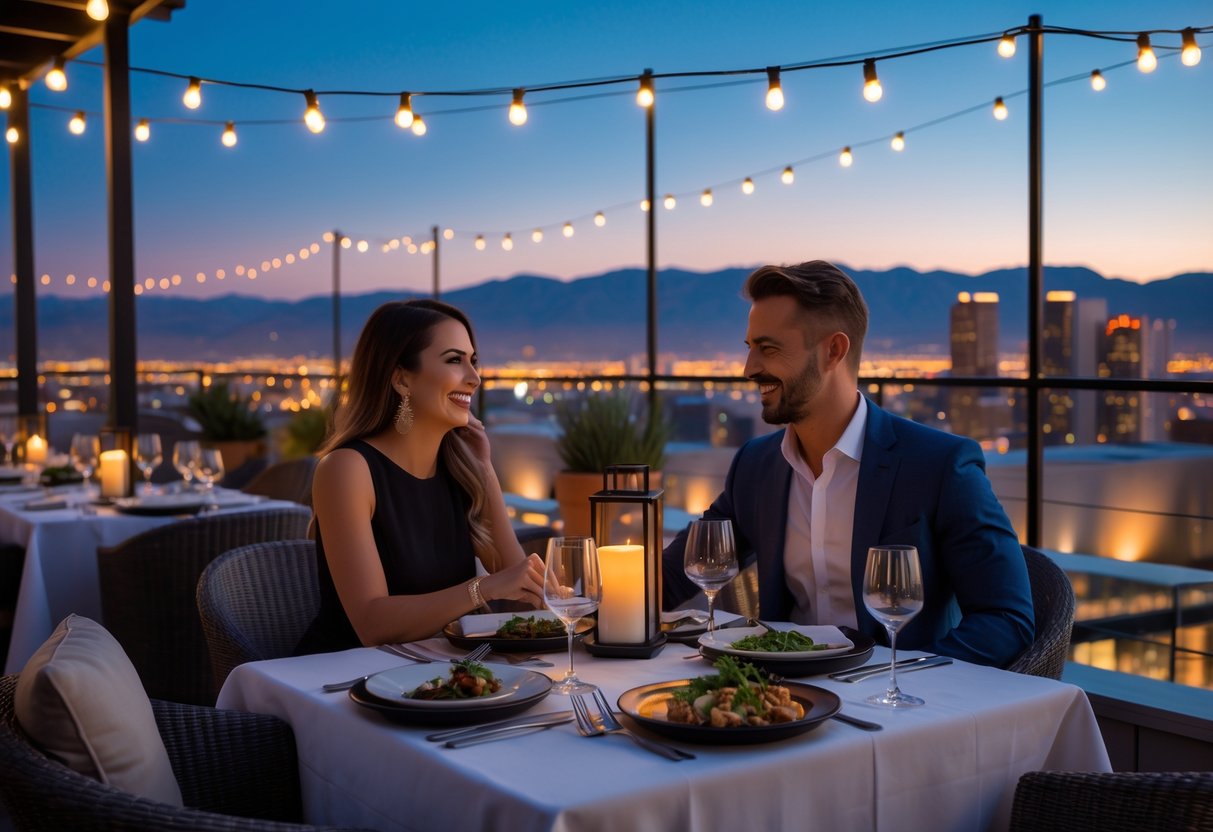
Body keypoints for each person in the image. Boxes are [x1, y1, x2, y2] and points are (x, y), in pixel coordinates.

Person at [662, 261, 1034, 667]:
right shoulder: (756, 466)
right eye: (749, 347)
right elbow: (679, 572)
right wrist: (611, 595)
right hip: (783, 694)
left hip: (896, 696)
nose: (749, 368)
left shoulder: (939, 466)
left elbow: (1007, 618)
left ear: (833, 351)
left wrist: (904, 677)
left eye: (768, 349)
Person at [297, 299, 545, 653]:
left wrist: (484, 468)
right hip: (348, 675)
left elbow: (523, 583)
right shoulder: (347, 469)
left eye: (473, 361)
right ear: (401, 379)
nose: (474, 378)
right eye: (454, 360)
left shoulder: (459, 470)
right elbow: (371, 624)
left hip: (440, 673)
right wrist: (483, 589)